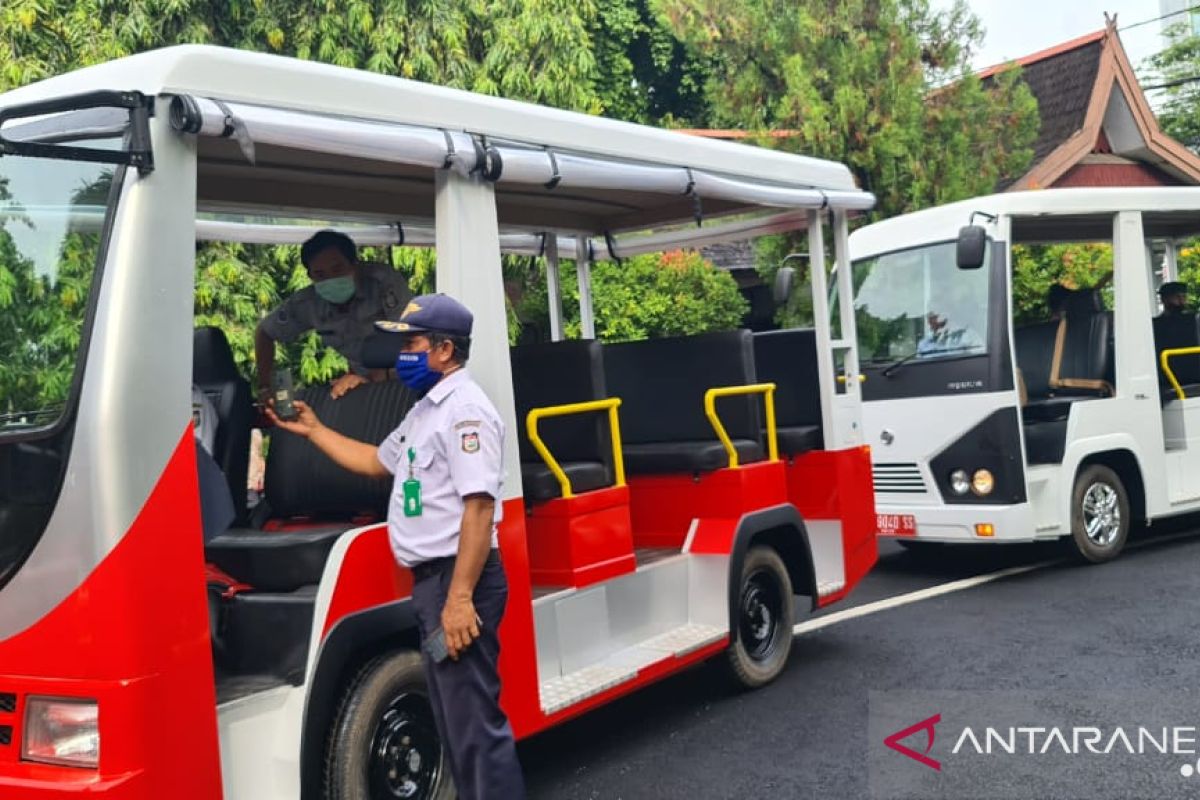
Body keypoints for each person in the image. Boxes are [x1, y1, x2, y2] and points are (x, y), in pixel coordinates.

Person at [267, 293, 525, 800]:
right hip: (435, 584)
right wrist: (315, 431)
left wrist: (458, 599)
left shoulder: (466, 412)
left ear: (445, 350)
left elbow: (479, 508)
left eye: (413, 344)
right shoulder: (424, 412)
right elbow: (374, 461)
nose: (402, 355)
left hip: (457, 582)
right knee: (454, 725)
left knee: (474, 731)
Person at [255, 230, 411, 401]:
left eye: (338, 269)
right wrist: (265, 387)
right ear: (310, 276)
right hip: (360, 386)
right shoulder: (308, 303)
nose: (331, 279)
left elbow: (410, 337)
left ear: (354, 264)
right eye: (320, 275)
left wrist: (374, 378)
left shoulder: (382, 282)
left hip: (405, 378)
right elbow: (265, 332)